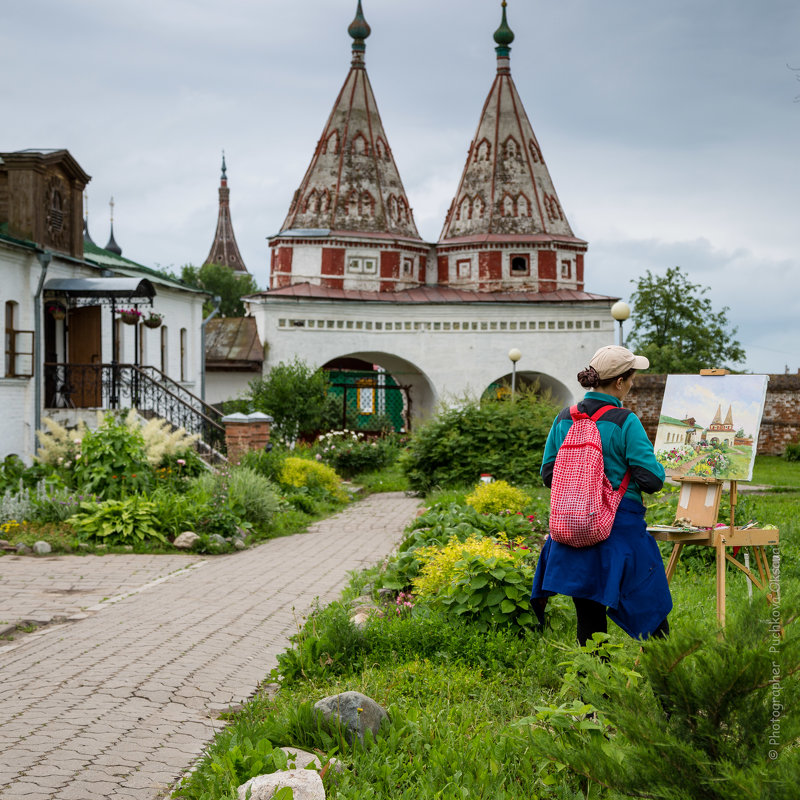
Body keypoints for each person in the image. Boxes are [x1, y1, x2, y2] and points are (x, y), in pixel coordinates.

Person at [531, 345, 672, 646]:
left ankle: (595, 690)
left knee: (589, 620)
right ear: (619, 382)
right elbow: (652, 480)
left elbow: (547, 475)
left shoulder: (563, 419)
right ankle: (667, 688)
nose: (632, 384)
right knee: (652, 611)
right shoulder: (625, 420)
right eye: (632, 378)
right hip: (619, 534)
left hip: (572, 531)